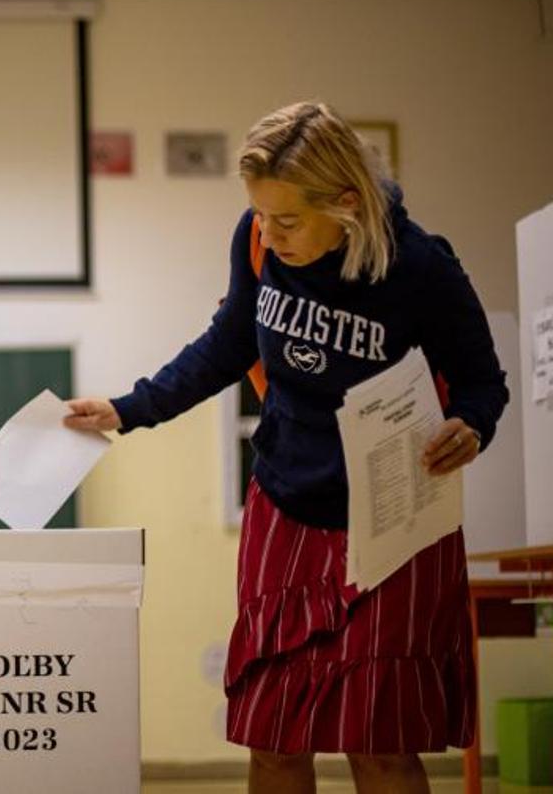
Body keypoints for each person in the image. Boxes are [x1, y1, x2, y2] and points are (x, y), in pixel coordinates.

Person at [64, 101, 508, 794]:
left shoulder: (421, 266)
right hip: (286, 502)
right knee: (272, 737)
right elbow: (226, 346)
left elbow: (484, 383)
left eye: (289, 219)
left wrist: (471, 425)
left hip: (392, 521)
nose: (270, 233)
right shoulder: (258, 240)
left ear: (348, 204)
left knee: (380, 745)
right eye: (261, 215)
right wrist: (128, 408)